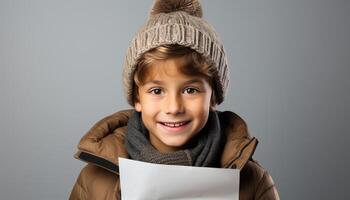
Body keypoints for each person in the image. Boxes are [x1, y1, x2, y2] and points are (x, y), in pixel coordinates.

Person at [69, 0, 280, 199]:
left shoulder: (253, 182)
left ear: (213, 97)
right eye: (157, 91)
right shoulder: (94, 180)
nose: (174, 107)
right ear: (137, 98)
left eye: (190, 90)